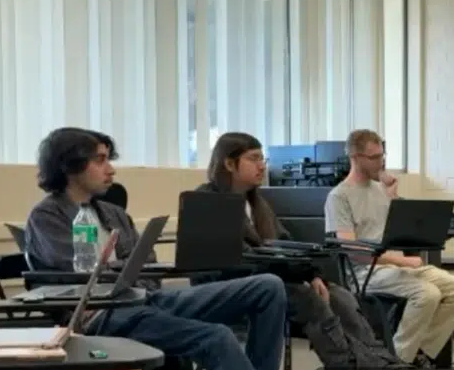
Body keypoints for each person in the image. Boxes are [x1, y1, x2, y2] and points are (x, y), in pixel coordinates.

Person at [24, 127, 287, 370]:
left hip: (144, 299)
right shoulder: (47, 216)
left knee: (268, 286)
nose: (111, 170)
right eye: (100, 160)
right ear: (70, 165)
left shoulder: (114, 213)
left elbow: (145, 262)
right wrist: (128, 280)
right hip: (100, 315)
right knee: (217, 337)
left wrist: (136, 285)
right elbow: (79, 275)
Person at [194, 131, 411, 369]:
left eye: (262, 158)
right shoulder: (207, 201)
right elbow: (241, 260)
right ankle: (347, 363)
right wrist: (298, 275)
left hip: (271, 280)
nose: (262, 166)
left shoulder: (257, 203)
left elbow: (285, 242)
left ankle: (379, 360)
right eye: (254, 159)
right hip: (231, 287)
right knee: (307, 298)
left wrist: (312, 274)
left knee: (340, 296)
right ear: (229, 163)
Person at [325, 129, 454, 367]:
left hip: (398, 269)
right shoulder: (339, 196)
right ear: (355, 158)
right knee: (427, 294)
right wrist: (403, 261)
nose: (381, 162)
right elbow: (354, 251)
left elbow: (398, 233)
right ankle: (396, 363)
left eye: (382, 155)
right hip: (365, 273)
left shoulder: (381, 191)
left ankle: (417, 354)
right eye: (374, 157)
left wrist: (393, 198)